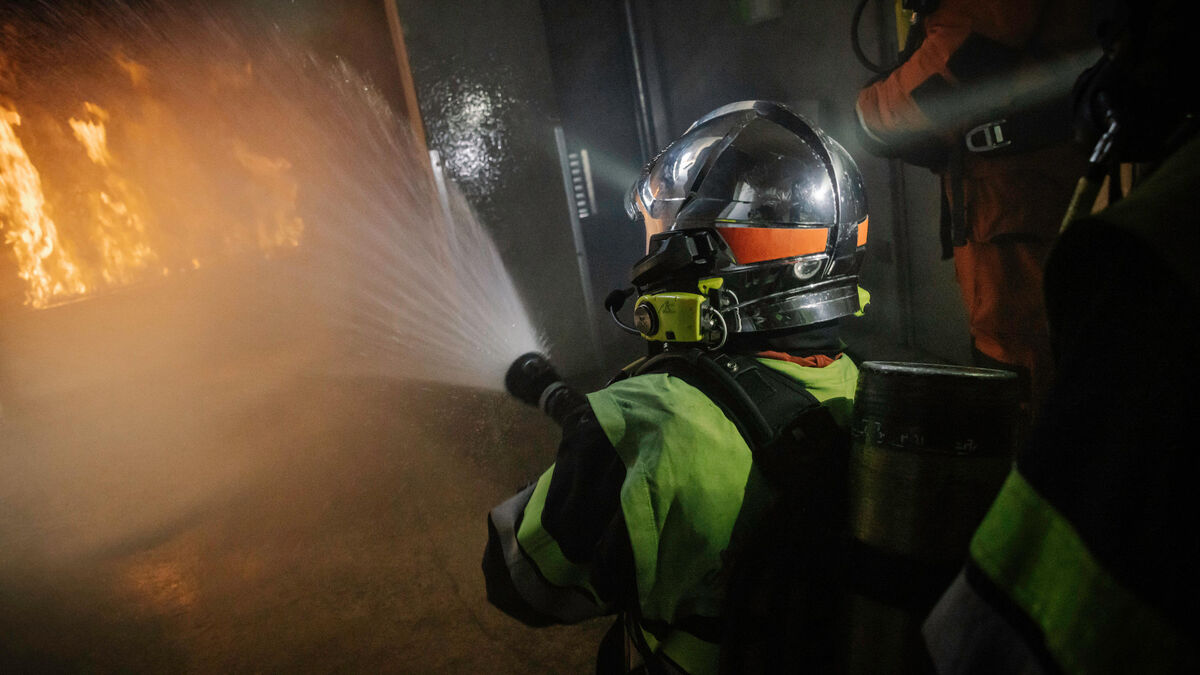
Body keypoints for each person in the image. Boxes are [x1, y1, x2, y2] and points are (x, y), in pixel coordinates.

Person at [482, 101, 870, 674]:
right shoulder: (862, 388)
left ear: (701, 251)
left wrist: (582, 462)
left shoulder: (643, 420)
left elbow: (521, 583)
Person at [922, 1, 1199, 671]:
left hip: (1031, 260)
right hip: (1031, 251)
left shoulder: (1159, 256)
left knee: (1041, 421)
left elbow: (895, 114)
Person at [854, 0, 1095, 406]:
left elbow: (961, 54)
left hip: (1019, 196)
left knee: (1019, 352)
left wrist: (869, 117)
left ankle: (1028, 460)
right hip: (1012, 193)